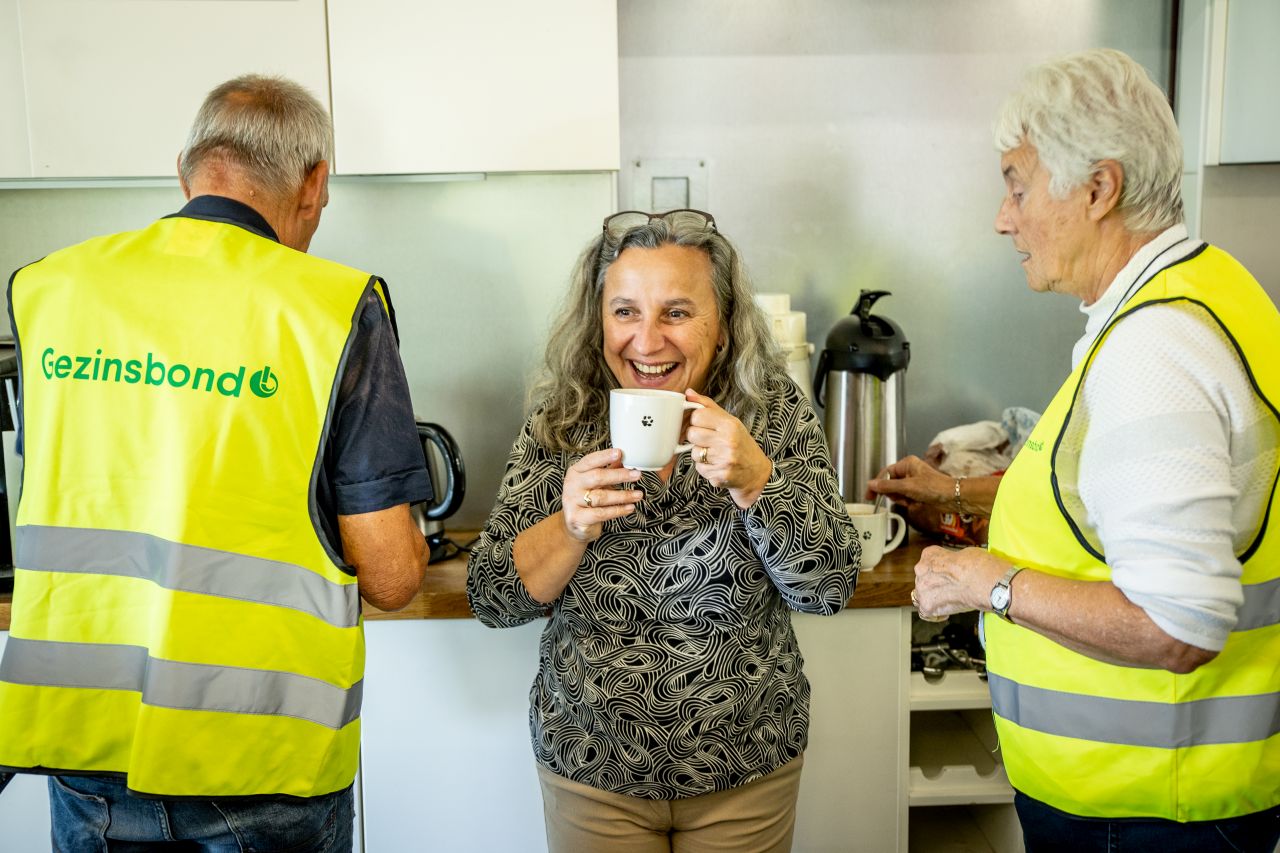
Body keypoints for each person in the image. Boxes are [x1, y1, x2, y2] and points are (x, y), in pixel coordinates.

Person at [0, 75, 431, 851]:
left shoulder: (51, 290)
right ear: (315, 183)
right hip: (260, 755)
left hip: (86, 749)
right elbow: (393, 575)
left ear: (185, 171)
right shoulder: (332, 306)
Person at [906, 49, 1280, 851]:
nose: (1003, 218)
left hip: (1146, 810)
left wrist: (987, 582)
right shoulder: (1215, 289)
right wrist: (958, 495)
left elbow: (1178, 624)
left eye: (1017, 186)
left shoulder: (1154, 347)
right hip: (1181, 798)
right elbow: (1108, 491)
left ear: (1099, 188)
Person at [467, 209, 859, 853]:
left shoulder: (773, 413)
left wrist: (758, 482)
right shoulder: (562, 420)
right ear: (598, 322)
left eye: (676, 312)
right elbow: (492, 598)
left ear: (723, 327)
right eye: (625, 311)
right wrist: (570, 526)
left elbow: (830, 588)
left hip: (748, 767)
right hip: (592, 769)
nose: (647, 342)